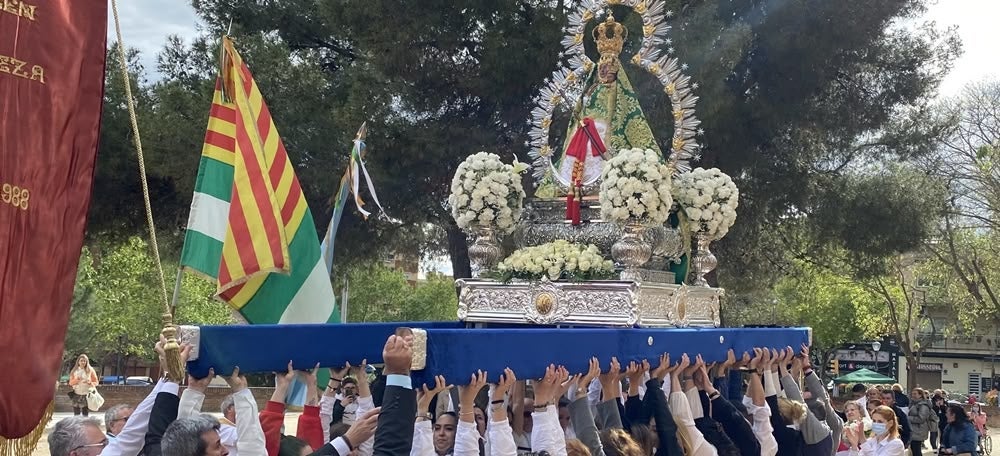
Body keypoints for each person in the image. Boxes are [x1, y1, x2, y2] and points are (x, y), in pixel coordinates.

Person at [907, 388, 935, 456]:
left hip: (919, 430)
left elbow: (921, 419)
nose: (913, 395)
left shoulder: (923, 405)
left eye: (915, 394)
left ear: (920, 395)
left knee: (916, 450)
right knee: (914, 449)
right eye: (912, 394)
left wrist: (908, 418)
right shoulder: (914, 403)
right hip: (914, 430)